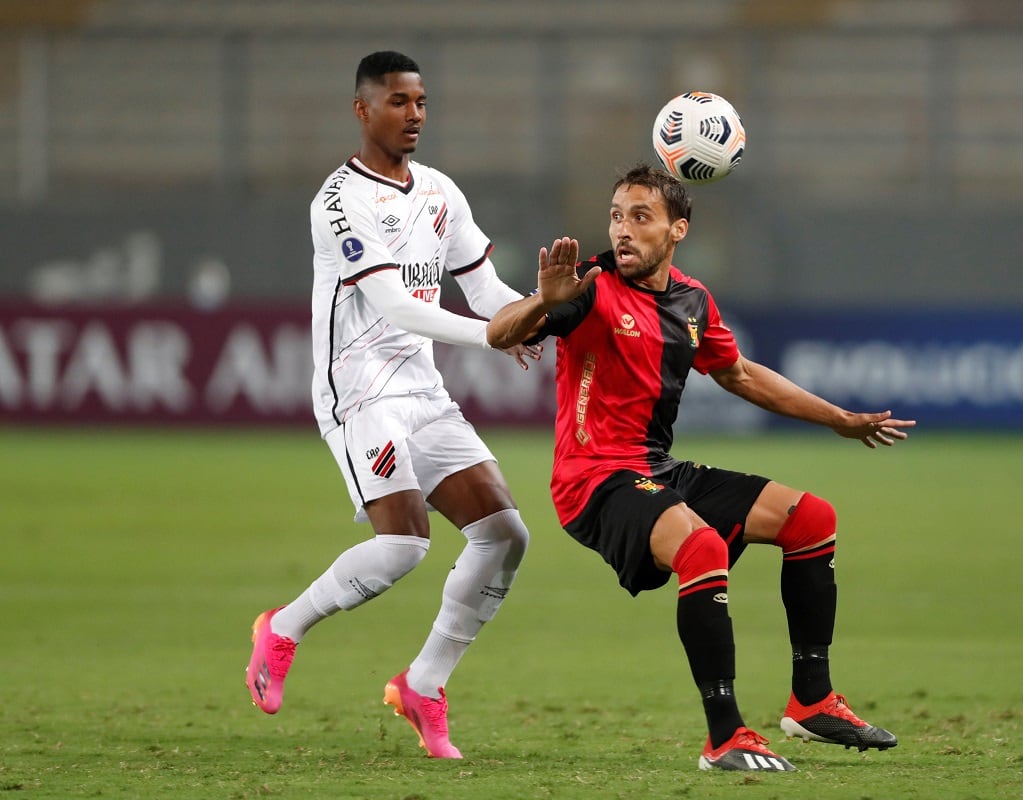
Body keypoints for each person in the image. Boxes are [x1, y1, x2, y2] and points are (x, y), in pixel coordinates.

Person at [486, 163, 916, 772]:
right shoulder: (587, 286)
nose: (623, 231)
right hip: (594, 480)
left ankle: (812, 700)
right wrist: (540, 304)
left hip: (656, 470)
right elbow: (499, 334)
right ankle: (725, 736)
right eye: (616, 216)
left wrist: (839, 418)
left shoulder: (693, 301)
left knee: (810, 518)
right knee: (701, 547)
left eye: (641, 217)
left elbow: (740, 375)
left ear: (677, 229)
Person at [245, 50, 538, 760]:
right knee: (404, 544)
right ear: (363, 109)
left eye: (422, 102)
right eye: (400, 102)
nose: (415, 116)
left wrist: (543, 312)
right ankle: (282, 628)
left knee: (505, 535)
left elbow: (486, 290)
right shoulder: (339, 200)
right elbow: (396, 305)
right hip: (360, 390)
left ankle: (424, 684)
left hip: (422, 390)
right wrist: (493, 335)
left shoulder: (440, 192)